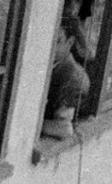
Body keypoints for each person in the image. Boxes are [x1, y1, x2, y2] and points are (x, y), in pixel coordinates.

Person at [44, 0, 91, 139]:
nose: (50, 47)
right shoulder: (49, 65)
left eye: (57, 41)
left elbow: (64, 129)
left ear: (70, 42)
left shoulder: (74, 77)